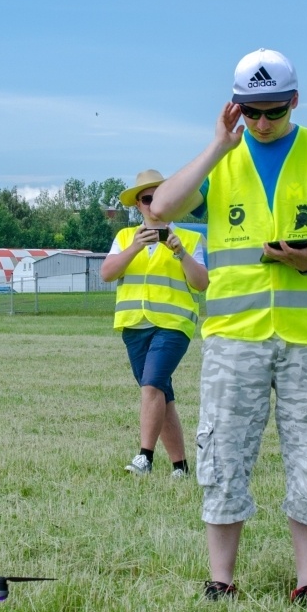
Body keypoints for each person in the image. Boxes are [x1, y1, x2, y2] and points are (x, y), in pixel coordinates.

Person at [152, 49, 307, 603]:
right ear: (234, 108)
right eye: (251, 113)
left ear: (294, 101)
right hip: (235, 338)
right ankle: (221, 580)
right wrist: (218, 146)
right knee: (223, 453)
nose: (262, 124)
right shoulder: (223, 156)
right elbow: (162, 208)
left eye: (273, 111)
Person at [100, 170, 209, 477]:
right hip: (134, 325)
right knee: (161, 393)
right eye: (148, 199)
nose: (154, 205)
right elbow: (107, 273)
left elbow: (201, 283)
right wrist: (135, 247)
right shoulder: (124, 238)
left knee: (151, 385)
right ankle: (181, 467)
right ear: (138, 204)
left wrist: (180, 253)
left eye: (162, 197)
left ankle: (144, 457)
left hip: (174, 325)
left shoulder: (189, 238)